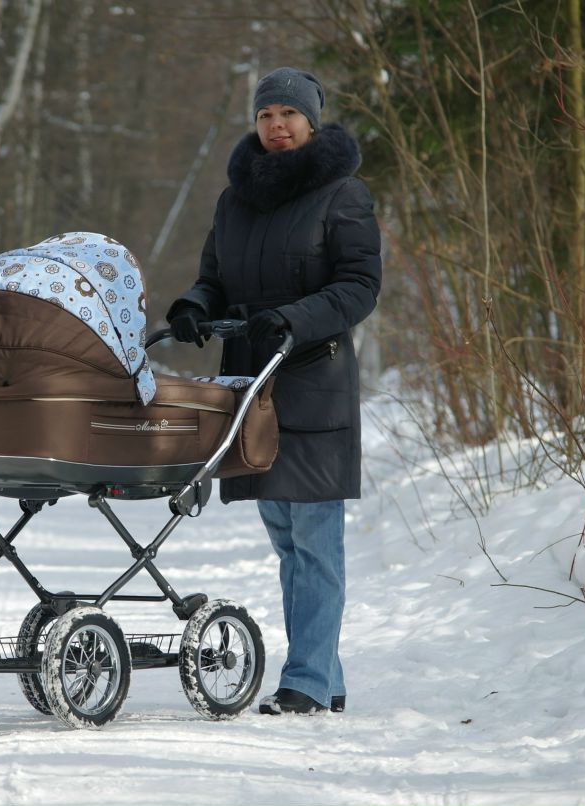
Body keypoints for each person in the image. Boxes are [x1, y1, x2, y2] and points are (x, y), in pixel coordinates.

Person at [166, 67, 382, 715]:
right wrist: (193, 307)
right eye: (266, 116)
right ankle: (327, 676)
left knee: (315, 541)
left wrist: (296, 316)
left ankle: (308, 682)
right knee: (287, 540)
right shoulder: (236, 201)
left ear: (312, 123)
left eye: (289, 114)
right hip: (251, 391)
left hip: (312, 384)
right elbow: (216, 279)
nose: (277, 125)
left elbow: (358, 287)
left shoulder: (343, 195)